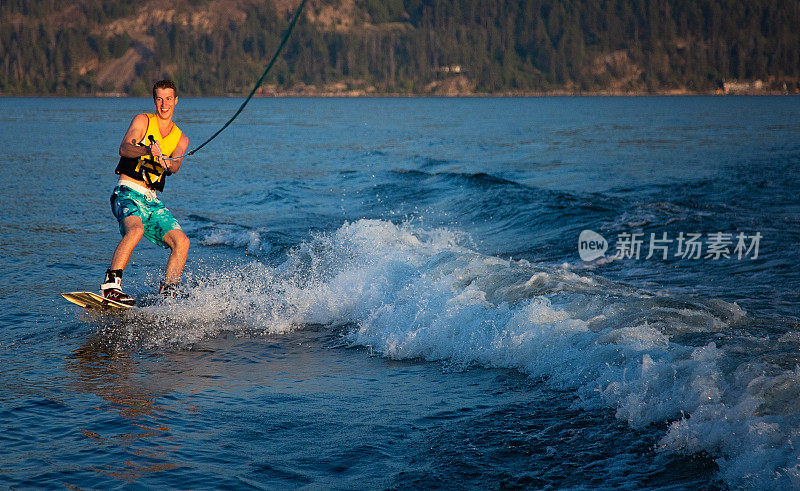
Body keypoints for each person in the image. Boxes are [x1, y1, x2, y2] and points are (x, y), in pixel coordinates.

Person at [101, 79, 190, 305]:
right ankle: (111, 285)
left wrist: (167, 163)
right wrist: (147, 150)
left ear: (176, 100)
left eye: (168, 99)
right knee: (136, 230)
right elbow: (124, 148)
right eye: (159, 99)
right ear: (154, 101)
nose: (164, 104)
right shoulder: (143, 121)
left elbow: (176, 165)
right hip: (127, 192)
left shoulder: (181, 138)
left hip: (151, 201)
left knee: (182, 242)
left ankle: (167, 293)